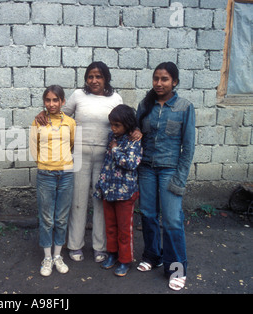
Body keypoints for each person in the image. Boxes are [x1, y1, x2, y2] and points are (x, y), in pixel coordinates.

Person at [36, 61, 124, 263]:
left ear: (106, 78)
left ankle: (99, 247)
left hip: (105, 157)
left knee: (100, 201)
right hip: (80, 155)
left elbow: (123, 121)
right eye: (90, 76)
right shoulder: (78, 96)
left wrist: (134, 130)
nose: (94, 80)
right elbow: (57, 114)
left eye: (99, 76)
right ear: (86, 78)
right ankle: (75, 246)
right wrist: (42, 113)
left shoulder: (115, 98)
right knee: (78, 201)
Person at [135, 62, 195, 291]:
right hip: (147, 169)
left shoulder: (184, 107)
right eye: (156, 78)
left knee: (172, 220)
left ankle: (177, 269)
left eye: (165, 79)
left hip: (170, 170)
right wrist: (135, 132)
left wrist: (180, 179)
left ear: (175, 82)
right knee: (149, 214)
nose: (159, 83)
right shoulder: (145, 104)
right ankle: (153, 256)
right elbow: (136, 131)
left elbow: (188, 147)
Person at [30, 85, 76, 277]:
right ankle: (47, 257)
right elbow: (34, 148)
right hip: (46, 175)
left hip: (66, 174)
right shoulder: (38, 121)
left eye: (55, 100)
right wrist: (46, 164)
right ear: (44, 102)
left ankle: (58, 256)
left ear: (63, 102)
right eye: (48, 100)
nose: (51, 104)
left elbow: (71, 144)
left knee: (62, 217)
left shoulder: (71, 123)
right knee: (47, 218)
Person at [94, 104, 142, 277]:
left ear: (128, 125)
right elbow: (108, 162)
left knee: (124, 228)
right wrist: (101, 184)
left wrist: (115, 149)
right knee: (111, 226)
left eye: (117, 125)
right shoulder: (111, 136)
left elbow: (130, 164)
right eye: (112, 125)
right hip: (109, 189)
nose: (113, 129)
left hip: (125, 192)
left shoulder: (134, 141)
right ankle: (112, 254)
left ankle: (125, 260)